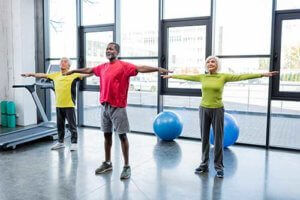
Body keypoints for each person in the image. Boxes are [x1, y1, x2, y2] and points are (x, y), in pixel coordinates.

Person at [65, 42, 172, 180]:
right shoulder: (102, 67)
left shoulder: (124, 66)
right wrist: (74, 71)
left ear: (117, 52)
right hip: (104, 106)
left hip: (118, 107)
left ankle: (127, 166)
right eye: (107, 49)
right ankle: (107, 163)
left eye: (111, 49)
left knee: (122, 136)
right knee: (107, 135)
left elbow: (141, 68)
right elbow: (89, 70)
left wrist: (158, 68)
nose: (108, 50)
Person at [162, 55, 278, 178]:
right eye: (208, 62)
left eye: (213, 61)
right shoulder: (203, 77)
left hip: (217, 109)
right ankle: (204, 165)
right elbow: (187, 76)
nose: (210, 63)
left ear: (217, 65)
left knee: (218, 139)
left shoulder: (223, 76)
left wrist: (261, 75)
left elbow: (241, 76)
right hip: (203, 109)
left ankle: (219, 167)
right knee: (205, 138)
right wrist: (172, 76)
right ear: (206, 65)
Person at [21, 57, 90, 151]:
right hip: (59, 105)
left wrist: (98, 71)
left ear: (69, 65)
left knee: (72, 126)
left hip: (69, 105)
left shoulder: (74, 75)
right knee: (60, 125)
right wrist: (30, 74)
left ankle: (74, 143)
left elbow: (87, 74)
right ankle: (60, 142)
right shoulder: (55, 75)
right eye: (61, 61)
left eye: (65, 61)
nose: (62, 62)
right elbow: (42, 75)